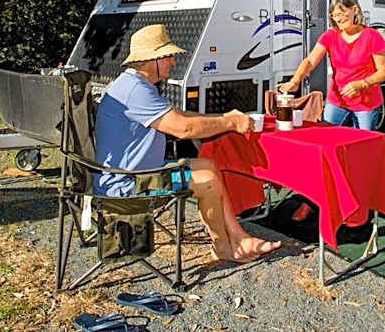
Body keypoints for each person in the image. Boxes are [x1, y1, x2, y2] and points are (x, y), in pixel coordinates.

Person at [94, 23, 281, 262]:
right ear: (154, 60)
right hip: (130, 185)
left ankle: (239, 238)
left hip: (137, 173)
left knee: (208, 165)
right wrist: (231, 124)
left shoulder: (135, 85)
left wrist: (224, 117)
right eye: (169, 56)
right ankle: (223, 247)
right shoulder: (135, 90)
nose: (173, 62)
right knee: (208, 182)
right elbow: (183, 128)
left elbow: (181, 115)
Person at [278, 0, 385, 131]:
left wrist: (361, 84)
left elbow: (384, 72)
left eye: (342, 14)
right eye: (334, 15)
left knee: (362, 144)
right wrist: (295, 81)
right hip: (337, 100)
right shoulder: (330, 35)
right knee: (326, 135)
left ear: (354, 10)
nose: (338, 19)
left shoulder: (371, 36)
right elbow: (310, 60)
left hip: (366, 103)